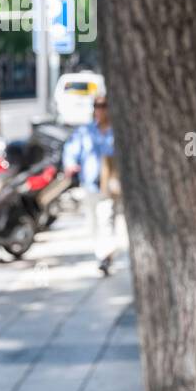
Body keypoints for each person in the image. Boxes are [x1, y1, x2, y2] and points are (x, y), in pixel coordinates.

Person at [63, 95, 119, 274]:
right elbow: (71, 150)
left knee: (107, 218)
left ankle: (106, 255)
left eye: (105, 106)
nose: (101, 110)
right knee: (93, 222)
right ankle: (101, 254)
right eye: (98, 106)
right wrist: (70, 164)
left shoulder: (117, 131)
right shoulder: (85, 131)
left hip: (109, 186)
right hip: (90, 184)